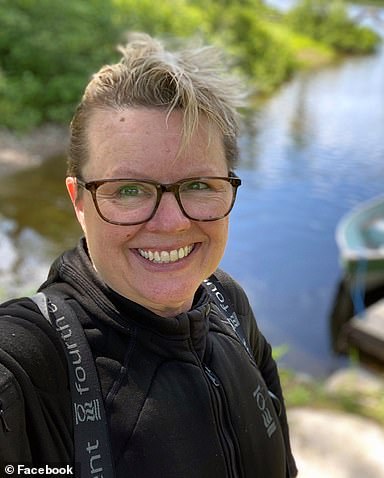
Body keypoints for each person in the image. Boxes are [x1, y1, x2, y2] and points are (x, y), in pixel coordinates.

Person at [0, 33, 297, 477]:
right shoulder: (29, 366)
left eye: (199, 185)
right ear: (79, 201)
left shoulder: (228, 303)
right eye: (129, 190)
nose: (171, 223)